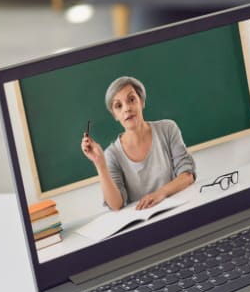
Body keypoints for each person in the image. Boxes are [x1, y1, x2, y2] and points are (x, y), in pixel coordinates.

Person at [81, 76, 196, 210]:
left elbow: (187, 175)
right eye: (118, 106)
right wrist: (100, 164)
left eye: (131, 99)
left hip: (179, 209)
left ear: (141, 102)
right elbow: (116, 204)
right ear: (115, 116)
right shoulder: (112, 155)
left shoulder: (168, 129)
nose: (127, 109)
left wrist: (160, 194)